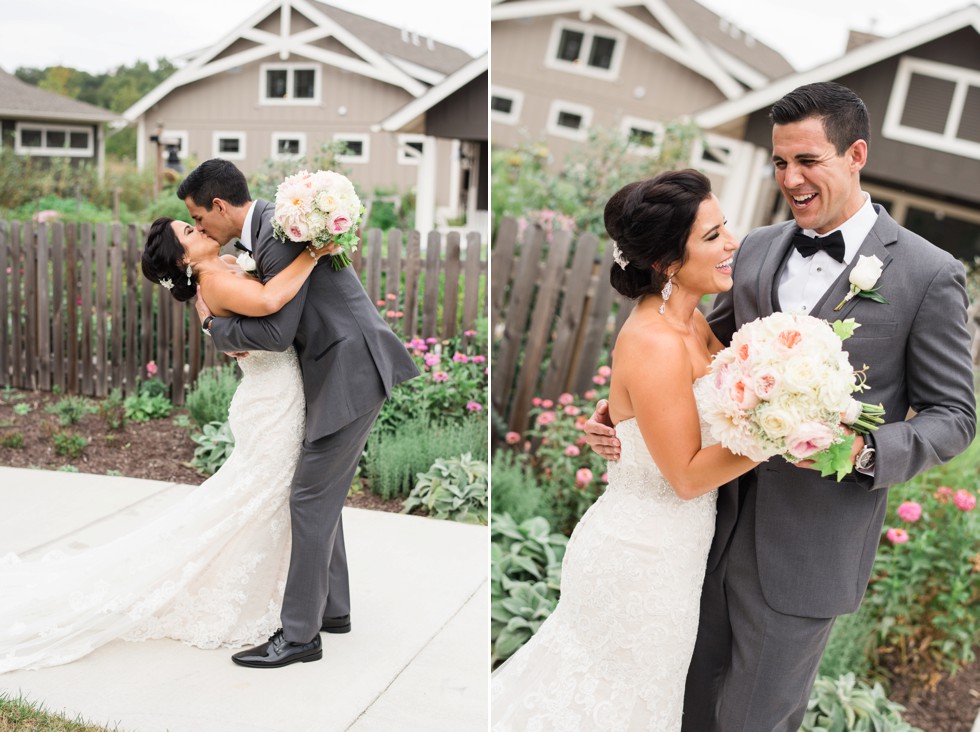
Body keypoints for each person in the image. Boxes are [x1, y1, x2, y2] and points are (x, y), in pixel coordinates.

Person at [585, 82, 976, 730]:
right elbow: (690, 351)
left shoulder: (927, 275)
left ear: (856, 154)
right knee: (676, 712)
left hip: (807, 549)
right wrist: (618, 413)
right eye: (779, 162)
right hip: (703, 537)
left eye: (808, 161)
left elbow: (955, 416)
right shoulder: (755, 248)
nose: (790, 178)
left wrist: (863, 450)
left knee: (754, 721)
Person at [491, 169, 764, 730]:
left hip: (671, 555)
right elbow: (687, 477)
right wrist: (784, 435)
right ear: (667, 262)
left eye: (725, 228)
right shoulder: (656, 341)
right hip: (640, 560)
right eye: (712, 236)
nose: (732, 244)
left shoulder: (692, 326)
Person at [0, 216, 332, 672]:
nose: (200, 231)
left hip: (274, 397)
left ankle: (290, 600)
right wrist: (315, 252)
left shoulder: (230, 265)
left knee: (262, 500)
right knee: (259, 499)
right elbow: (273, 298)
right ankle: (277, 604)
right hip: (272, 404)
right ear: (182, 259)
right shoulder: (215, 281)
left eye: (196, 225)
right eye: (190, 233)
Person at [178, 158, 419, 668]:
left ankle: (300, 636)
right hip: (336, 368)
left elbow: (274, 332)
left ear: (220, 206)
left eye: (198, 219)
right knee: (318, 493)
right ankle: (332, 609)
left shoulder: (281, 232)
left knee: (308, 497)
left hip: (350, 369)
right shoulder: (269, 229)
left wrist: (216, 332)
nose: (199, 229)